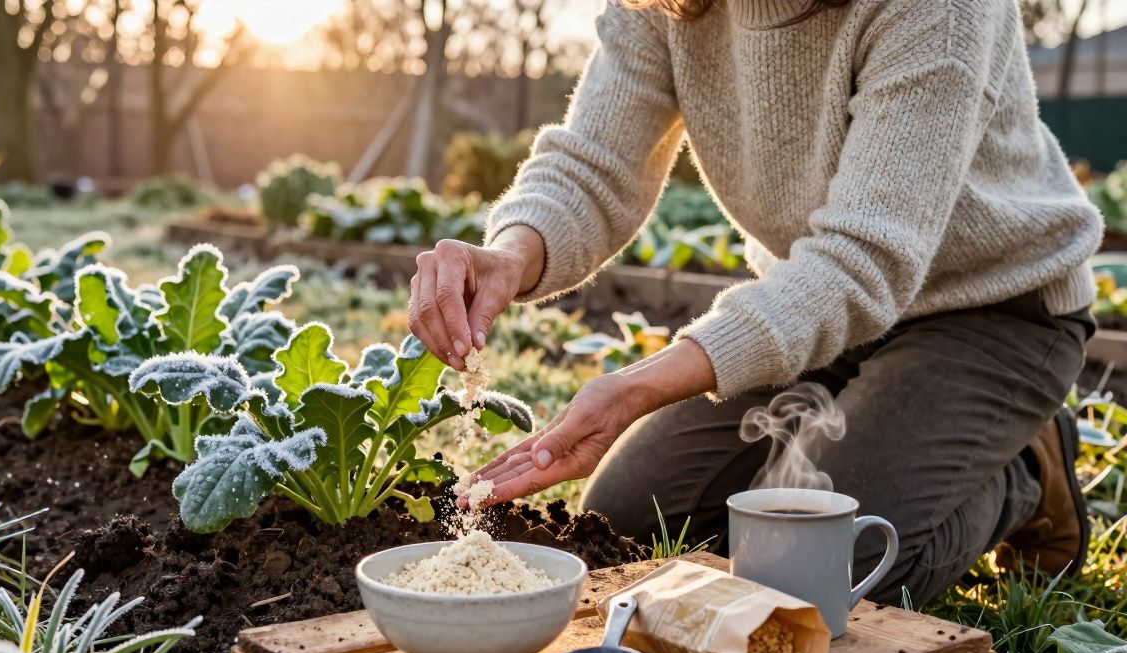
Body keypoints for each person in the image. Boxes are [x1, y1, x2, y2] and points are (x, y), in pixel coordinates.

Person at [407, 0, 1103, 604]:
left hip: (994, 310)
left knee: (819, 573)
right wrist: (509, 255)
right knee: (626, 529)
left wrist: (635, 388)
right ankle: (864, 436)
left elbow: (865, 261)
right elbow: (594, 165)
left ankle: (1026, 470)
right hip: (814, 310)